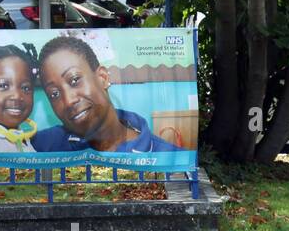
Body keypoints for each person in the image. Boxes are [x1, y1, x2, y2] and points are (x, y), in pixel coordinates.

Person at [31, 34, 182, 153]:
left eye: (75, 80)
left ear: (102, 78)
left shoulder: (165, 156)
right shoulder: (46, 145)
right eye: (54, 94)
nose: (69, 100)